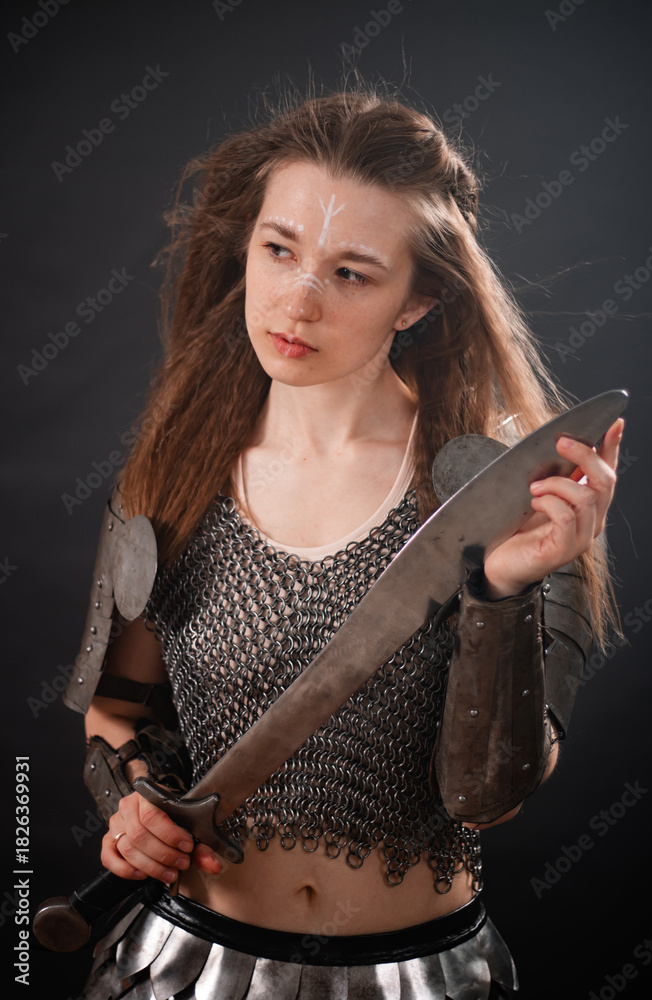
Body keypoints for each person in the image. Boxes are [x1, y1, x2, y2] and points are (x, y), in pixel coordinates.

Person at [70, 84, 623, 999]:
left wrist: (503, 589)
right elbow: (119, 710)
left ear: (420, 299)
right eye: (278, 249)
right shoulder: (172, 473)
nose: (296, 300)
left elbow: (488, 799)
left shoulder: (505, 498)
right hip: (182, 968)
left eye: (351, 273)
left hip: (420, 976)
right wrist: (131, 802)